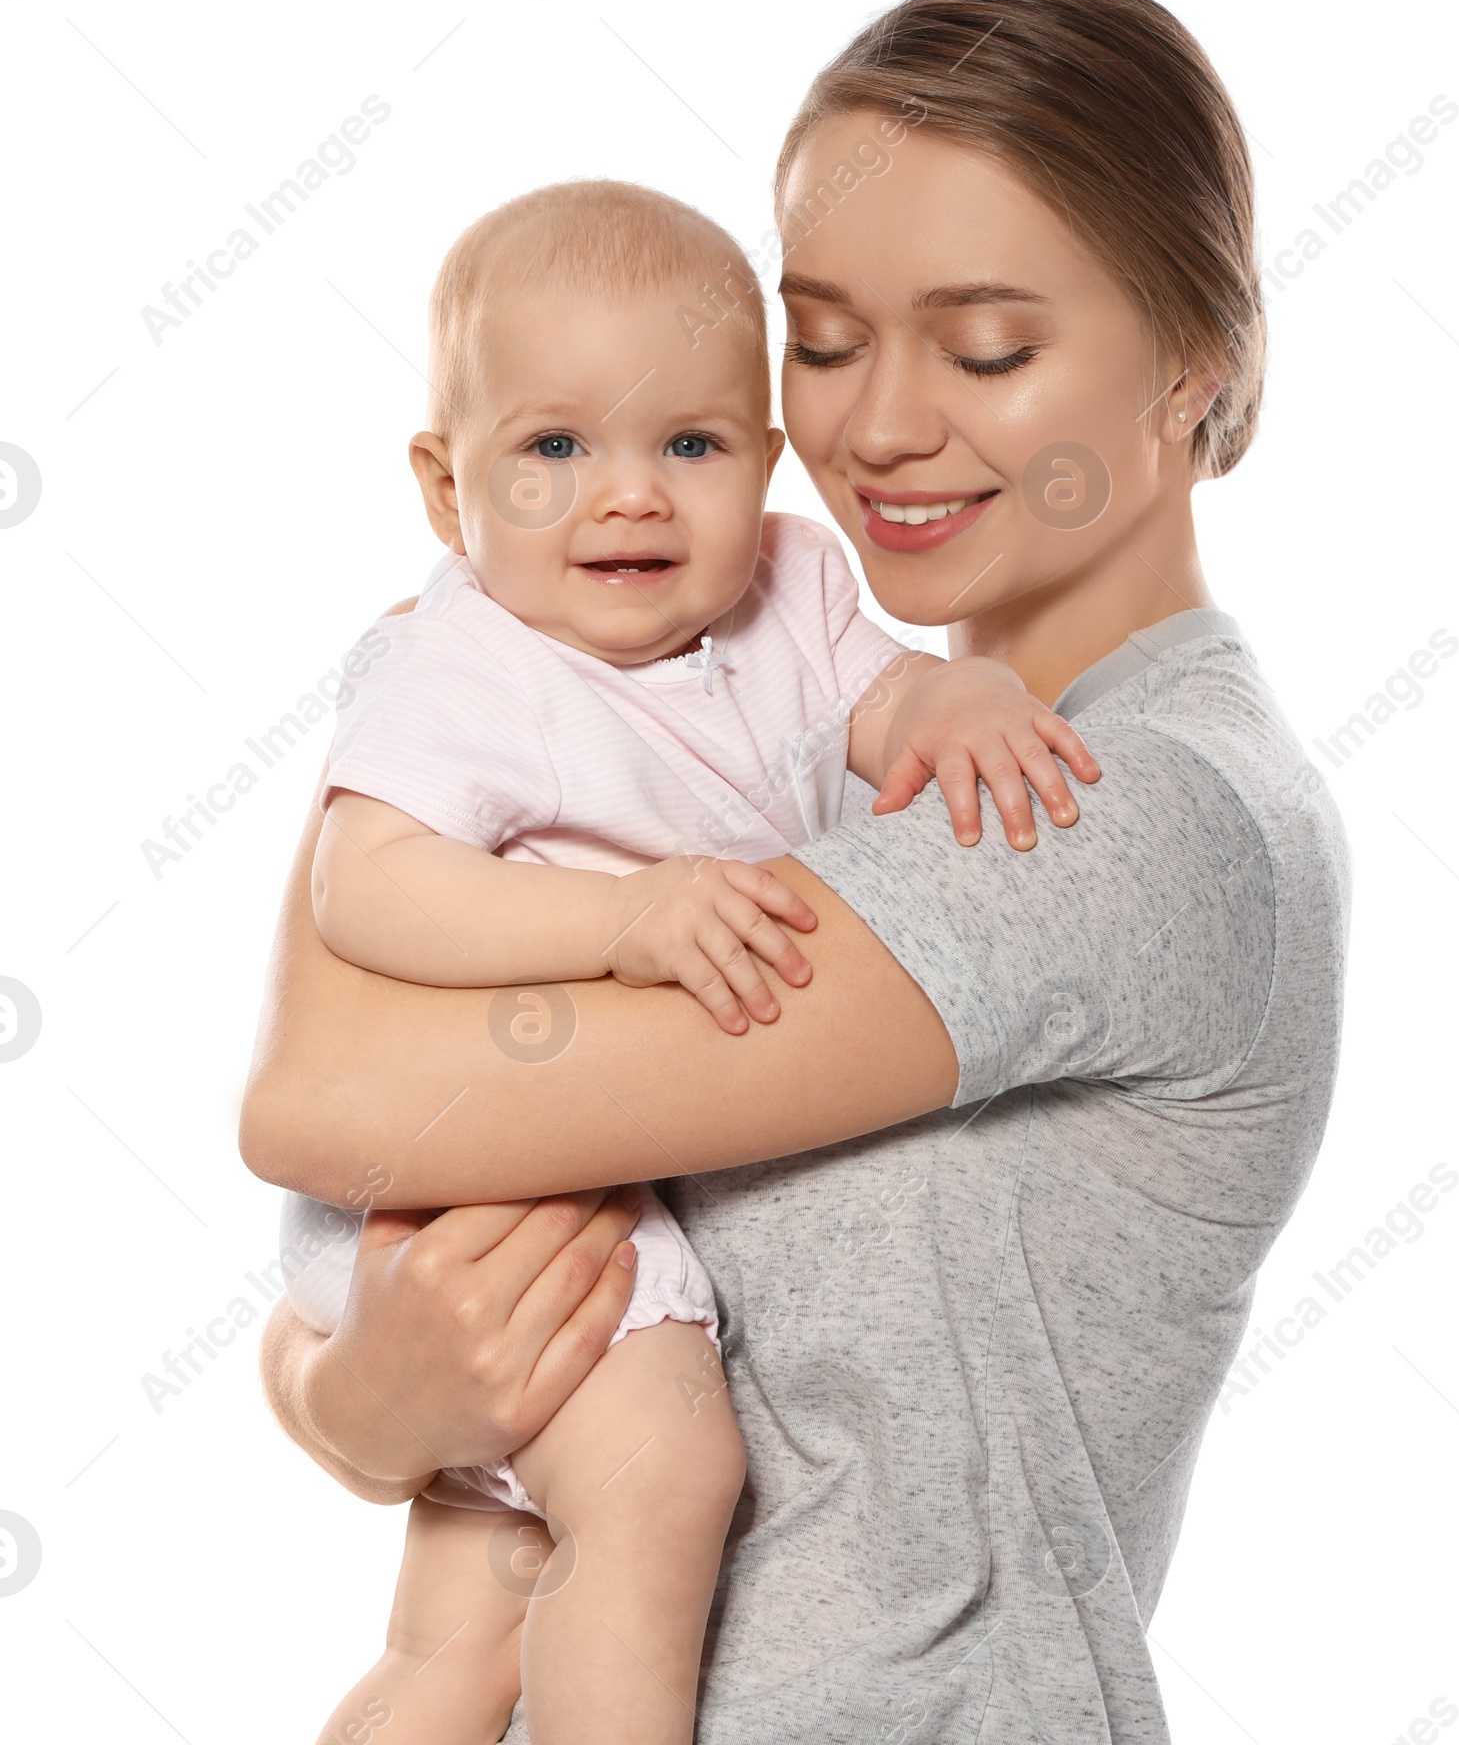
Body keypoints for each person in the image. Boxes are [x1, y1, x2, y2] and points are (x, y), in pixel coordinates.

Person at [242, 0, 1351, 1745]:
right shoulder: (775, 738)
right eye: (823, 339)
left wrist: (421, 662)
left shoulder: (1113, 815)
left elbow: (317, 1095)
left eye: (987, 347)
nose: (879, 428)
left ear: (1195, 364)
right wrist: (353, 1400)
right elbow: (447, 1254)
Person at [296, 175, 1094, 1745]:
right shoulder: (461, 661)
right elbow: (364, 885)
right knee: (667, 1481)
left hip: (591, 1168)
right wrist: (622, 918)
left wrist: (950, 709)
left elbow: (869, 711)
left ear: (767, 462)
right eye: (553, 449)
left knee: (460, 1635)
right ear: (447, 491)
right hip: (497, 1190)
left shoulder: (795, 587)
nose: (632, 498)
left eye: (691, 445)